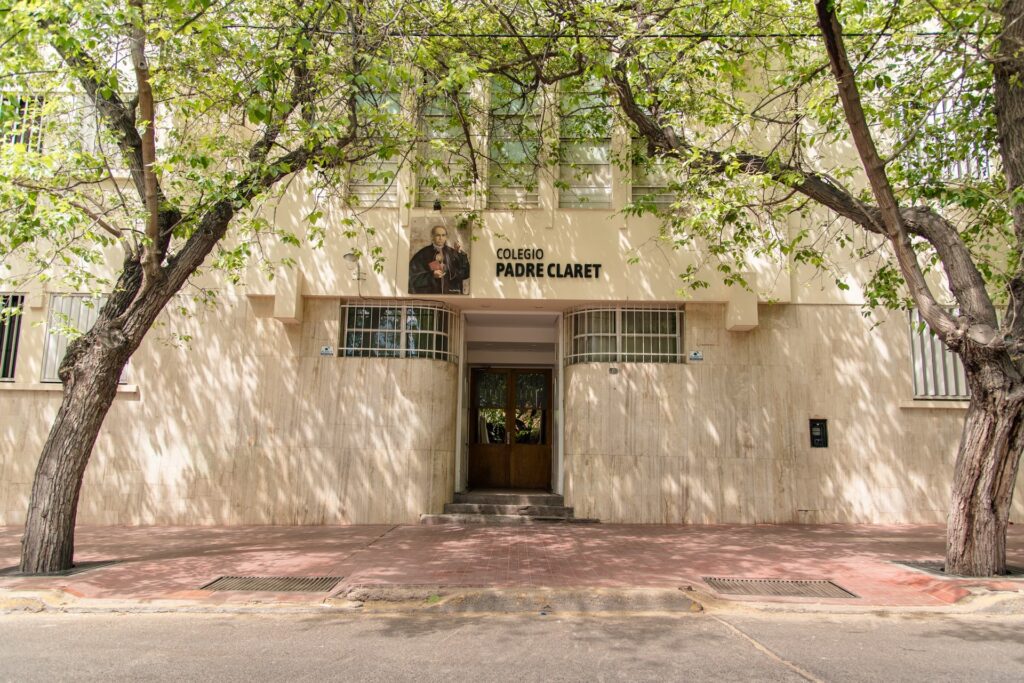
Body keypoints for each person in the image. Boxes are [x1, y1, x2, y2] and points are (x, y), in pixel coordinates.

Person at [408, 224, 469, 294]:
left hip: (451, 294)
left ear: (446, 237)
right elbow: (411, 278)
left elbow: (465, 273)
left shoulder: (453, 252)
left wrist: (460, 254)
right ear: (432, 237)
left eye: (443, 235)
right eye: (438, 235)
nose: (441, 238)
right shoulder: (423, 254)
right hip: (430, 294)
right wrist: (432, 275)